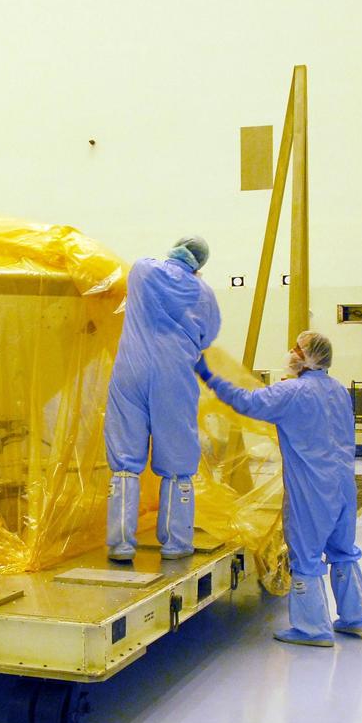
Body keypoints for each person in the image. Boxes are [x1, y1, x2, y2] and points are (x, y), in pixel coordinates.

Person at [196, 331, 362, 646]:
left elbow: (245, 401)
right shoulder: (337, 390)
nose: (290, 353)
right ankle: (355, 616)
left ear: (307, 356)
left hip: (311, 488)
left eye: (295, 349)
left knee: (305, 555)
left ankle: (311, 628)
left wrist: (210, 376)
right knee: (343, 551)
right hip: (344, 485)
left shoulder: (292, 392)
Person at [104, 236, 220, 561]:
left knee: (125, 461)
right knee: (177, 463)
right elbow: (206, 336)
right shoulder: (204, 293)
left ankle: (120, 544)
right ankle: (175, 543)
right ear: (199, 263)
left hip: (131, 370)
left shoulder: (143, 269)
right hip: (174, 377)